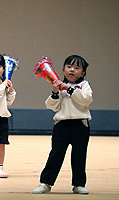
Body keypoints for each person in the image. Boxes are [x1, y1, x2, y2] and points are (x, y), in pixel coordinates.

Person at [33, 55, 93, 194]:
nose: (72, 70)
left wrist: (69, 89)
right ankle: (46, 183)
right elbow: (51, 106)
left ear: (83, 73)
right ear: (63, 69)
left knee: (79, 156)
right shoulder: (58, 85)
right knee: (55, 155)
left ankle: (78, 184)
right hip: (61, 125)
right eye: (69, 67)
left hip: (80, 125)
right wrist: (55, 92)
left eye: (77, 68)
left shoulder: (84, 85)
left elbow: (86, 100)